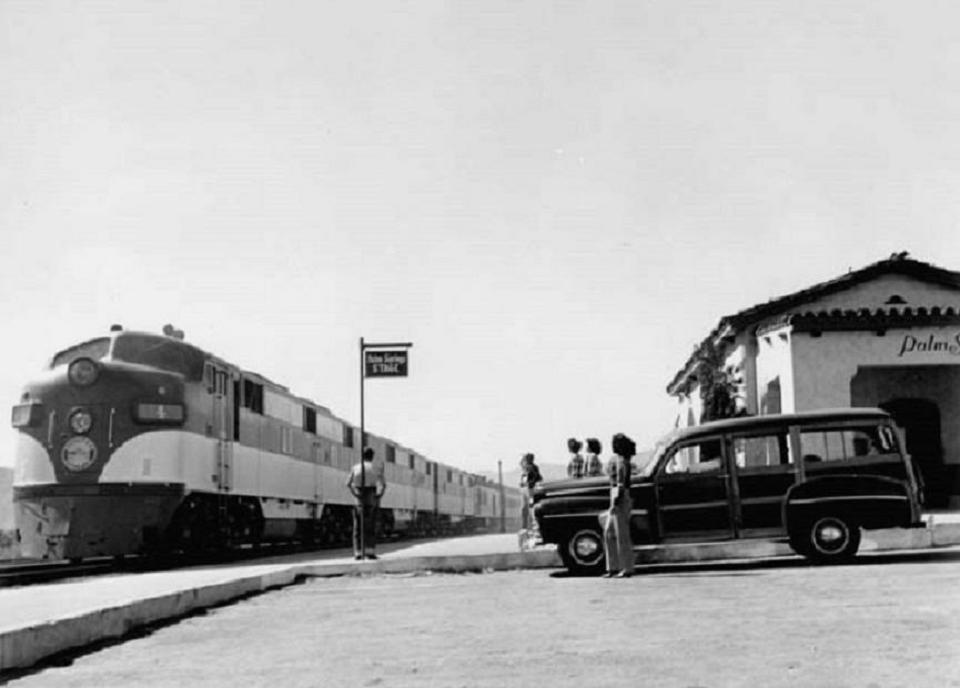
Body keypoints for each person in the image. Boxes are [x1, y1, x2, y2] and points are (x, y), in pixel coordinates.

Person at [603, 433, 636, 578]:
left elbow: (621, 484)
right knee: (609, 532)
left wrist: (615, 501)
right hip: (617, 495)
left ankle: (626, 567)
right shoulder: (620, 460)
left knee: (621, 534)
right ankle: (613, 566)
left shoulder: (622, 461)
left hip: (619, 496)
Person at [346, 446, 386, 560]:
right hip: (371, 496)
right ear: (372, 456)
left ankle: (358, 552)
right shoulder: (376, 468)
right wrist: (379, 496)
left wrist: (355, 494)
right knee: (370, 526)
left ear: (362, 456)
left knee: (357, 526)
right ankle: (370, 551)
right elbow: (383, 485)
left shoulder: (355, 467)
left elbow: (348, 483)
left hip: (359, 497)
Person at [519, 452, 543, 531]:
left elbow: (529, 479)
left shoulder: (530, 468)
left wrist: (526, 483)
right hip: (529, 490)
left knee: (528, 508)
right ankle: (529, 525)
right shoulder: (533, 467)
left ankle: (527, 526)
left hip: (529, 490)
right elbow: (539, 477)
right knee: (528, 508)